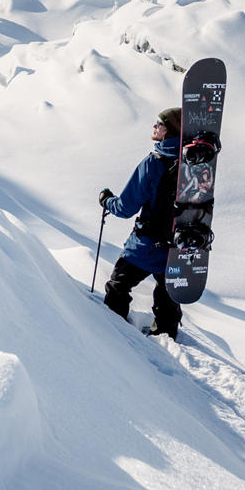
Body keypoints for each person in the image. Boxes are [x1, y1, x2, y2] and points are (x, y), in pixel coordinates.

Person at [97, 106, 184, 339]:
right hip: (179, 247)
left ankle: (118, 338)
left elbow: (126, 207)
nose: (154, 127)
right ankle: (167, 338)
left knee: (118, 285)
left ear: (170, 131)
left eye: (159, 124)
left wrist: (107, 201)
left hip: (146, 245)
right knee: (167, 295)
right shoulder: (193, 164)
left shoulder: (153, 163)